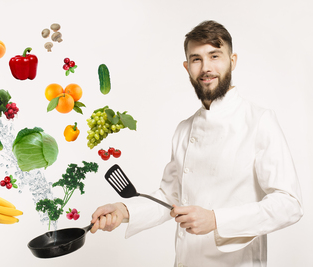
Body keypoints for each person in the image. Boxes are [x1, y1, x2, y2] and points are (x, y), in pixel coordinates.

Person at [90, 20, 303, 267]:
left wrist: (216, 220)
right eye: (196, 59)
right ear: (187, 67)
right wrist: (124, 211)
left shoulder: (258, 120)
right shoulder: (184, 129)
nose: (206, 68)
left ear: (232, 61)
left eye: (215, 56)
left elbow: (290, 204)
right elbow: (171, 197)